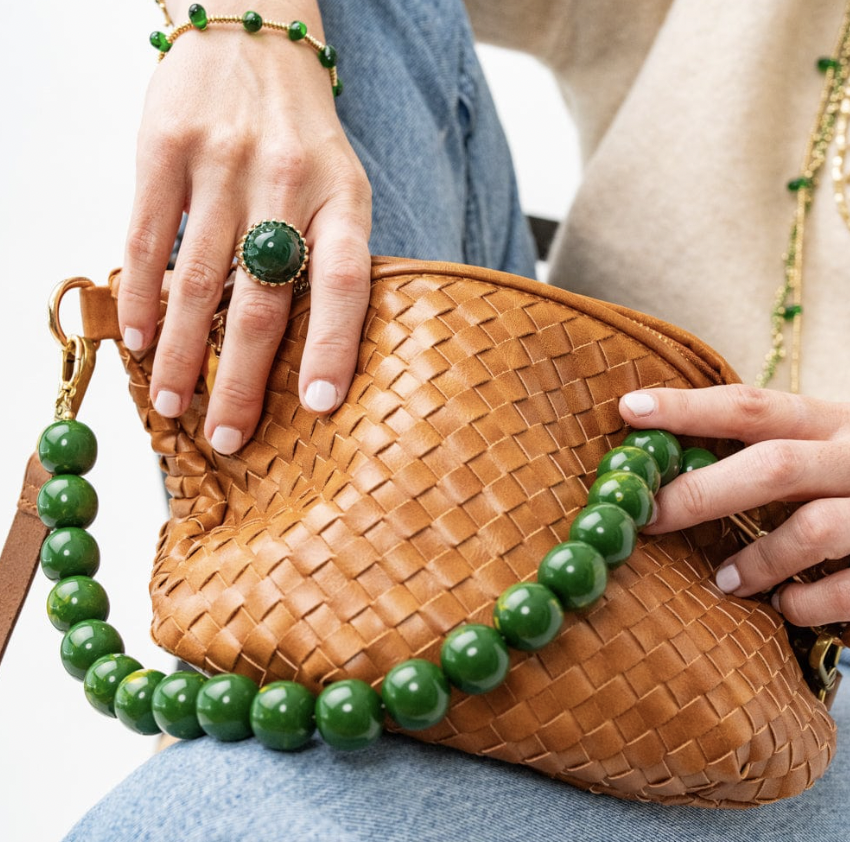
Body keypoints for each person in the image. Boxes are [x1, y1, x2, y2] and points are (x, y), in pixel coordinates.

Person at [65, 0, 850, 838]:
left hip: (790, 639)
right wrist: (242, 33)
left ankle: (285, 684)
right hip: (505, 472)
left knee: (216, 814)